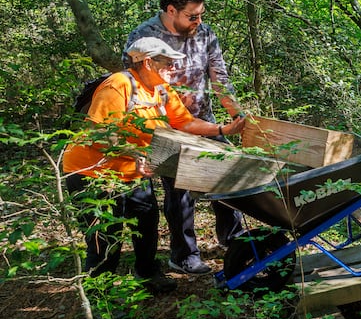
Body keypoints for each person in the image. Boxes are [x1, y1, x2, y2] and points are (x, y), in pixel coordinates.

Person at [64, 37, 247, 292]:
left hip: (132, 171)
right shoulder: (118, 85)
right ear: (148, 62)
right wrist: (134, 156)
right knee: (106, 238)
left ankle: (148, 275)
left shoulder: (161, 89)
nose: (174, 68)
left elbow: (184, 123)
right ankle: (98, 298)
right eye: (169, 63)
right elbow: (99, 134)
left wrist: (222, 128)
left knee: (147, 221)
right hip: (93, 174)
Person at [123, 0, 245, 275]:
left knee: (227, 172)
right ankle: (183, 254)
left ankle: (235, 239)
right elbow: (134, 87)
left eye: (201, 14)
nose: (198, 21)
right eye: (192, 16)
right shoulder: (143, 37)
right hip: (164, 127)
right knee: (179, 190)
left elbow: (220, 78)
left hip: (204, 120)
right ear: (171, 10)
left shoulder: (205, 34)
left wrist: (237, 117)